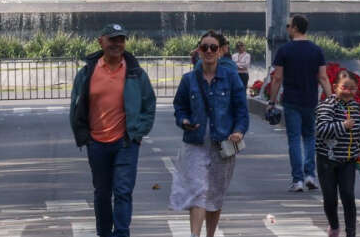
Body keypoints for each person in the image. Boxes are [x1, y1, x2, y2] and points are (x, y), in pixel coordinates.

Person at [69, 24, 157, 237]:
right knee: (101, 194)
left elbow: (149, 104)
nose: (117, 44)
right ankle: (104, 233)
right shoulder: (88, 72)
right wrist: (84, 137)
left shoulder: (135, 73)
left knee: (123, 192)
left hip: (125, 143)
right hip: (96, 143)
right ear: (101, 41)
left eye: (121, 40)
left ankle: (121, 233)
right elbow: (75, 106)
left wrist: (138, 133)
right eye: (112, 39)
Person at [170, 31, 249, 237]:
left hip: (222, 144)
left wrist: (239, 131)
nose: (208, 51)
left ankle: (210, 234)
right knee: (198, 192)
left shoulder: (230, 77)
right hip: (194, 143)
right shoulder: (189, 79)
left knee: (215, 195)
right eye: (204, 47)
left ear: (220, 52)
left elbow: (241, 108)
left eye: (213, 47)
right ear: (198, 50)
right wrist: (184, 121)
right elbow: (180, 106)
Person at [267, 14, 332, 192]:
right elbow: (323, 78)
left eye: (289, 26)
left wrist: (271, 102)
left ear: (295, 27)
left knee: (294, 139)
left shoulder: (285, 50)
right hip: (310, 100)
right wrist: (332, 99)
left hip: (291, 101)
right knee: (310, 137)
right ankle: (310, 175)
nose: (287, 29)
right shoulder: (316, 50)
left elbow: (277, 77)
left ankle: (298, 180)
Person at [316, 71, 360, 237]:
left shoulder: (354, 106)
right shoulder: (327, 105)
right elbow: (321, 130)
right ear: (335, 87)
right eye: (345, 87)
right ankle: (334, 225)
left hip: (348, 161)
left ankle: (351, 232)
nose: (348, 92)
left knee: (348, 196)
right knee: (330, 198)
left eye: (353, 89)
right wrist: (343, 126)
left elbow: (356, 130)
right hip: (327, 161)